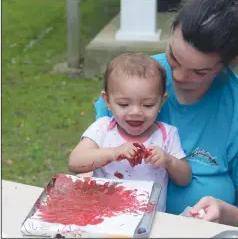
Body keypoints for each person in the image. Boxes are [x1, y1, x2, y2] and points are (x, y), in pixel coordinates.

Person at [93, 0, 238, 231]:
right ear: (171, 32)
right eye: (173, 57)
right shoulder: (130, 84)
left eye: (200, 71)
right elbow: (97, 164)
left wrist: (225, 212)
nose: (179, 77)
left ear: (231, 61)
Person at [68, 53, 192, 212]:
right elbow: (75, 162)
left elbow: (185, 178)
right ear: (107, 101)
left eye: (147, 105)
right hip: (101, 214)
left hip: (148, 221)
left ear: (161, 101)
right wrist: (114, 153)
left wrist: (168, 161)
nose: (136, 112)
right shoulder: (103, 128)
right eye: (124, 104)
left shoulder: (166, 134)